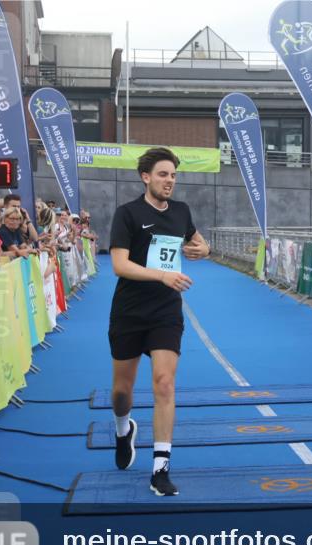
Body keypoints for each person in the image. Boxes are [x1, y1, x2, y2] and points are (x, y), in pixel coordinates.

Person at [109, 147, 210, 497]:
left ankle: (160, 469)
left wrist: (204, 249)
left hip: (166, 311)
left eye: (173, 176)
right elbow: (120, 265)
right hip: (129, 311)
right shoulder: (128, 214)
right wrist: (162, 275)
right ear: (146, 177)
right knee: (122, 391)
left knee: (164, 383)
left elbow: (197, 241)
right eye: (163, 174)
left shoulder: (181, 212)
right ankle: (123, 429)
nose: (170, 181)